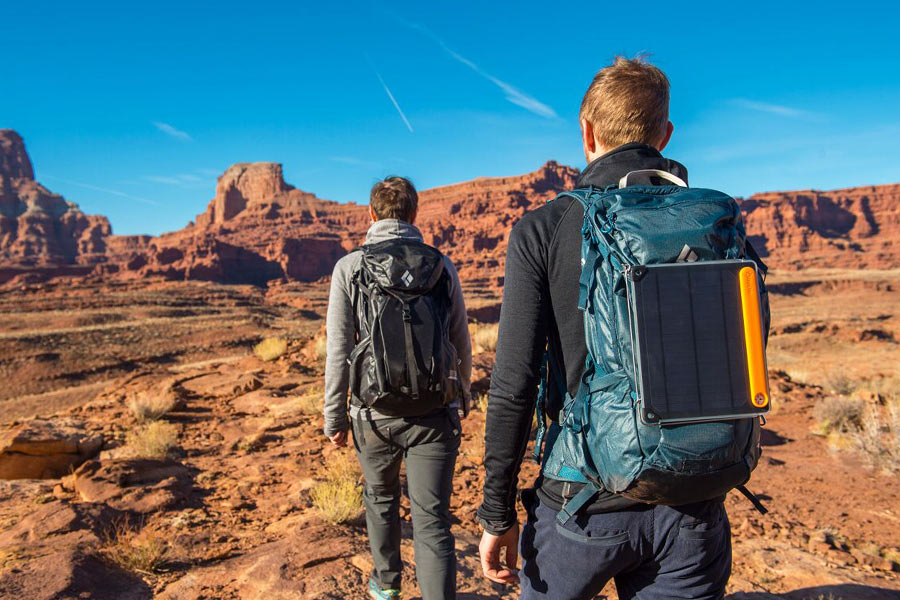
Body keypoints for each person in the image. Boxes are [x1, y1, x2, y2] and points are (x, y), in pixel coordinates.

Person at [477, 57, 749, 599]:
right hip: (693, 505)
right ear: (665, 134)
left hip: (581, 506)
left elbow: (514, 384)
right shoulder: (716, 221)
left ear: (587, 131)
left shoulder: (546, 226)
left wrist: (496, 511)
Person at [324, 176, 472, 600]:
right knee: (432, 520)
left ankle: (387, 586)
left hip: (373, 416)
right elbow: (460, 338)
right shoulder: (441, 264)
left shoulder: (350, 267)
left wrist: (334, 417)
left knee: (380, 498)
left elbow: (338, 349)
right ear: (414, 214)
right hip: (434, 417)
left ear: (370, 215)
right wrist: (459, 394)